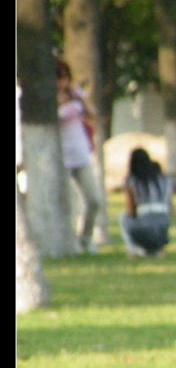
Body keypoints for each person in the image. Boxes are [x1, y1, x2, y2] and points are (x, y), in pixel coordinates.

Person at [56, 58, 101, 254]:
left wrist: (80, 99)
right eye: (58, 78)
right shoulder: (46, 100)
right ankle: (69, 242)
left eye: (65, 78)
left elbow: (92, 116)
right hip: (62, 158)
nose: (62, 83)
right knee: (70, 205)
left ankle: (86, 238)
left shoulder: (75, 95)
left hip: (81, 154)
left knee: (94, 200)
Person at [120, 148, 172, 259]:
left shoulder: (132, 180)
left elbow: (130, 210)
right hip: (163, 227)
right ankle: (160, 249)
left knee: (123, 217)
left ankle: (132, 251)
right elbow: (171, 208)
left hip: (143, 225)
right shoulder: (164, 179)